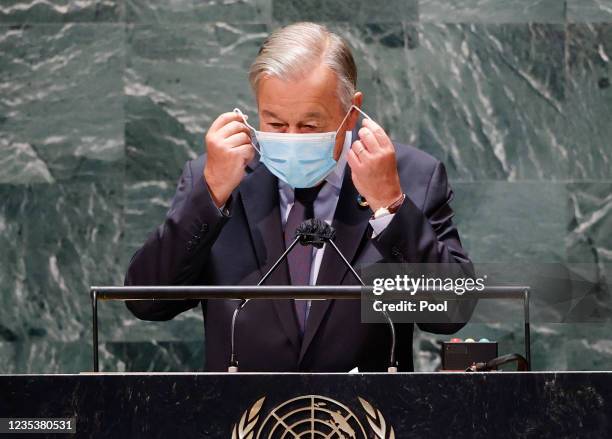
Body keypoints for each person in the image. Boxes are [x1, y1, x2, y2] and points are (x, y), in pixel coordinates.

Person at [125, 22, 472, 372]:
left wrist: (391, 207)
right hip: (242, 419)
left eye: (309, 126)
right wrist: (210, 195)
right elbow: (148, 304)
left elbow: (448, 314)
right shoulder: (219, 176)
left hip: (364, 418)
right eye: (275, 124)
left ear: (351, 112)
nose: (291, 137)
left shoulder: (411, 177)